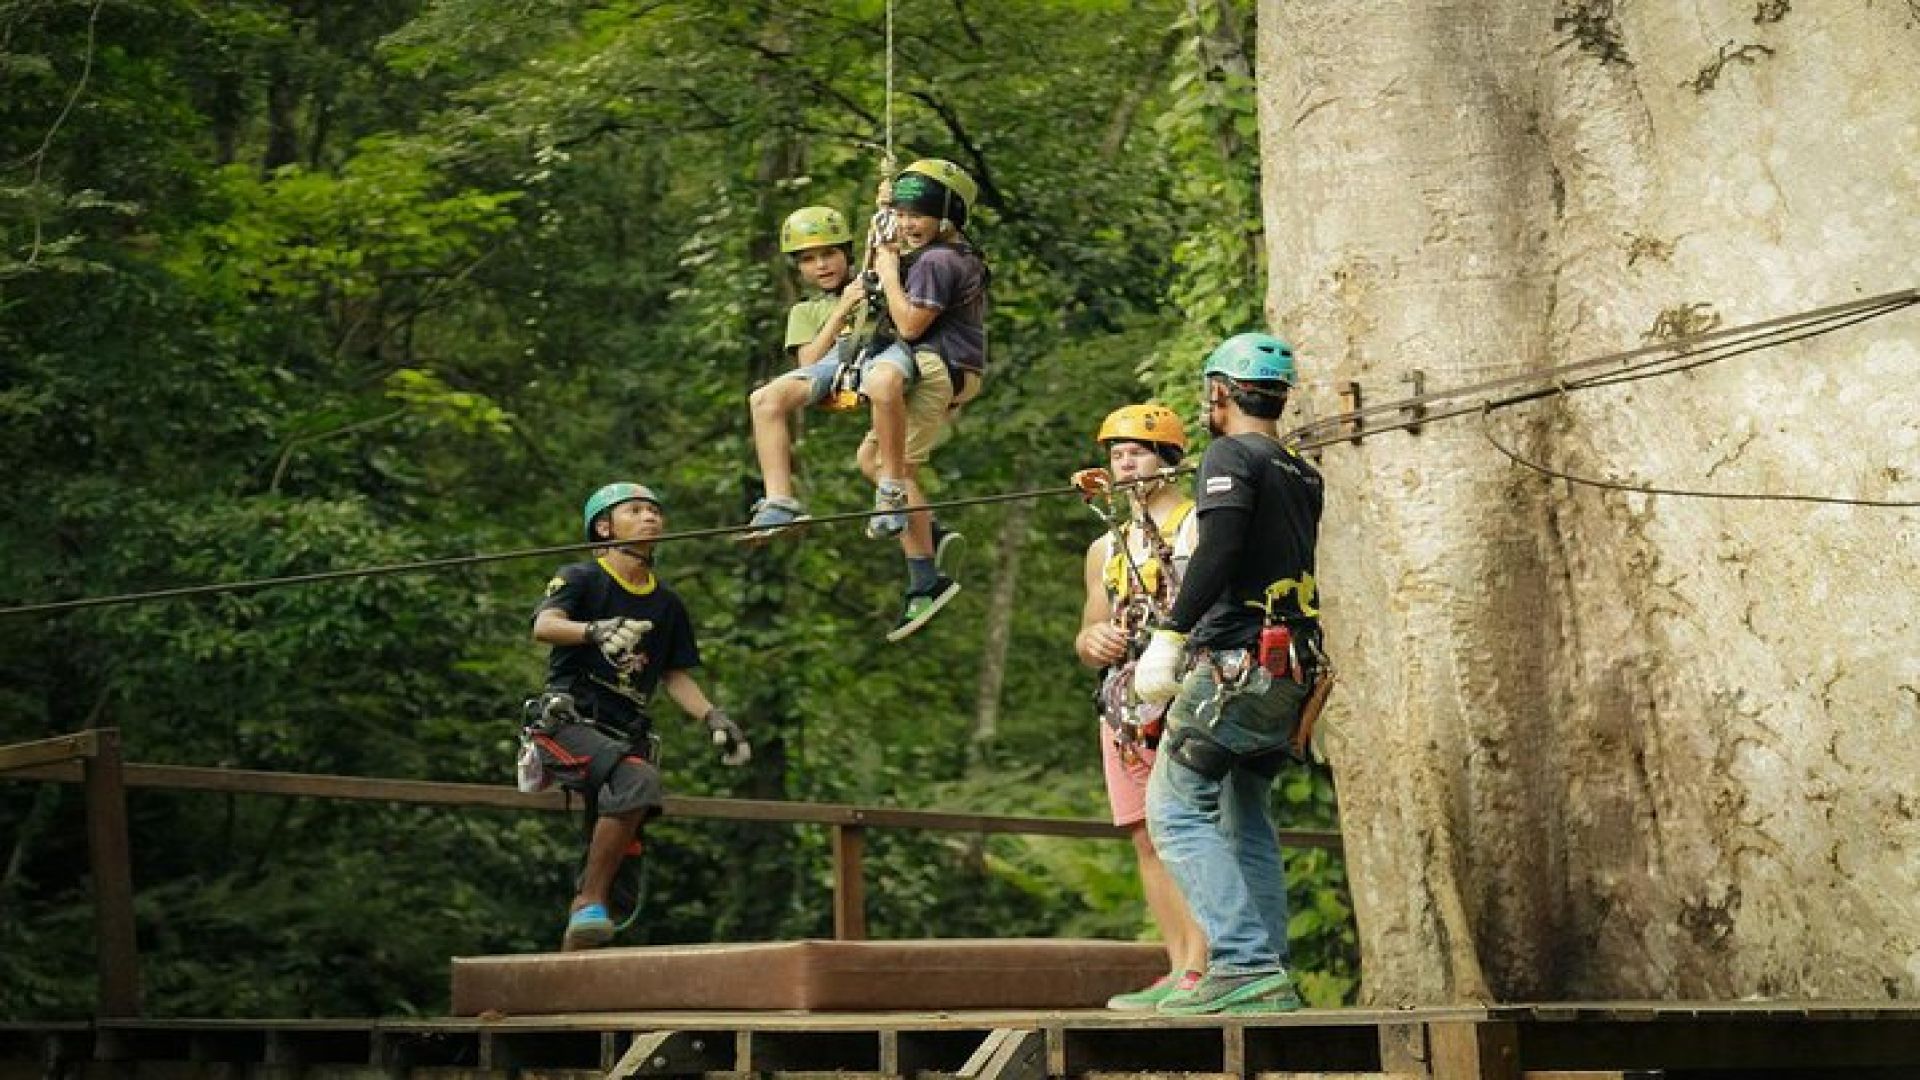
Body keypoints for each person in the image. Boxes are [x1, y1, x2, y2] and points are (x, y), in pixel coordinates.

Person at [1133, 332, 1327, 1015]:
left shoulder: (1230, 455)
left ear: (1220, 390)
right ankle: (1266, 967)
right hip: (1292, 667)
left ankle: (1242, 962)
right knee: (1247, 812)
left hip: (1240, 660)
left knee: (1175, 807)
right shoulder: (1302, 470)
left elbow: (1219, 549)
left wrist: (1169, 638)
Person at [744, 159, 989, 641]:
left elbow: (908, 320)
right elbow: (809, 356)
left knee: (879, 450)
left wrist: (884, 257)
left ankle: (919, 550)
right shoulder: (822, 301)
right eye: (808, 260)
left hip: (903, 356)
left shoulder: (928, 262)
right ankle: (780, 499)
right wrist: (852, 295)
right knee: (768, 400)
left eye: (829, 255)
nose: (821, 265)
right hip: (852, 357)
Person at [529, 482, 751, 950]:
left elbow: (673, 674)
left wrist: (713, 716)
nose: (651, 517)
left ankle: (576, 955)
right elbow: (544, 626)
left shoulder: (667, 603)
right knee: (639, 783)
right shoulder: (582, 578)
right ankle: (586, 901)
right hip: (569, 724)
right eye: (635, 510)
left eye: (655, 510)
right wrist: (594, 630)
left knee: (620, 876)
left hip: (623, 735)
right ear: (605, 527)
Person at [1072, 404, 1208, 1010]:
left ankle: (1205, 966)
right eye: (1116, 452)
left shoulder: (1196, 524)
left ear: (1169, 460)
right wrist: (1091, 642)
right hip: (1122, 706)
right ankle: (1176, 964)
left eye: (1138, 451)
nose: (1123, 461)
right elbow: (1087, 634)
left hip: (1182, 694)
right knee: (1146, 838)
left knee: (1188, 828)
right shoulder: (1104, 547)